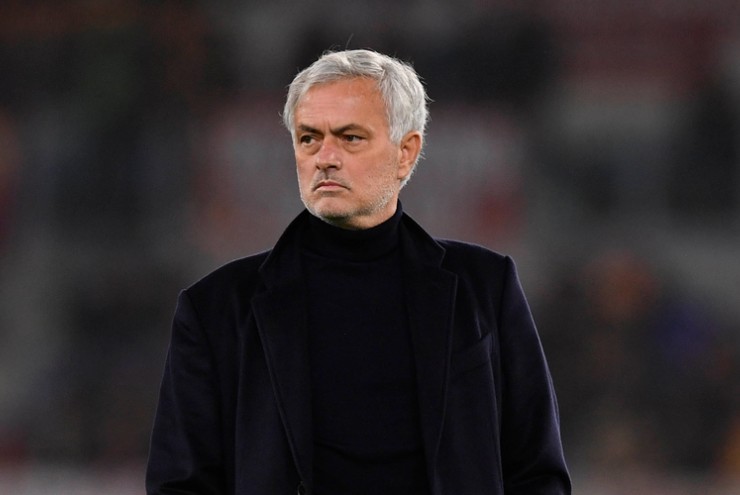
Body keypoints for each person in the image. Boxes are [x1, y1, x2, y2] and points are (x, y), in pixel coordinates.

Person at [146, 49, 570, 495]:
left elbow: (537, 471)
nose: (324, 158)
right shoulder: (215, 308)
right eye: (309, 138)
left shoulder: (485, 287)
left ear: (406, 152)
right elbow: (181, 483)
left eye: (350, 138)